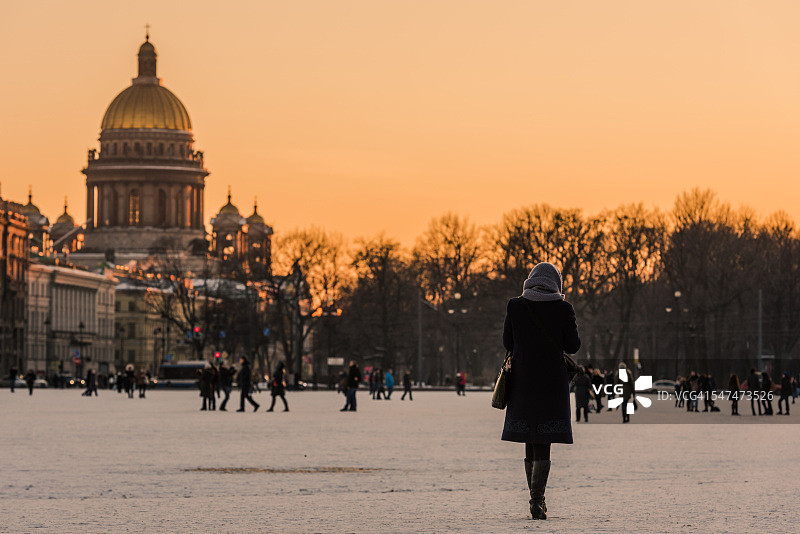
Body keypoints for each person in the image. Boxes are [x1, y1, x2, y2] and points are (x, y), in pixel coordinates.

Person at [501, 262, 581, 520]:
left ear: (530, 280)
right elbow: (573, 345)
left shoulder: (515, 305)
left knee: (528, 437)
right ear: (555, 282)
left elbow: (507, 342)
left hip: (523, 380)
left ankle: (535, 500)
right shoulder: (563, 308)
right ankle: (538, 500)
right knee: (543, 440)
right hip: (551, 383)